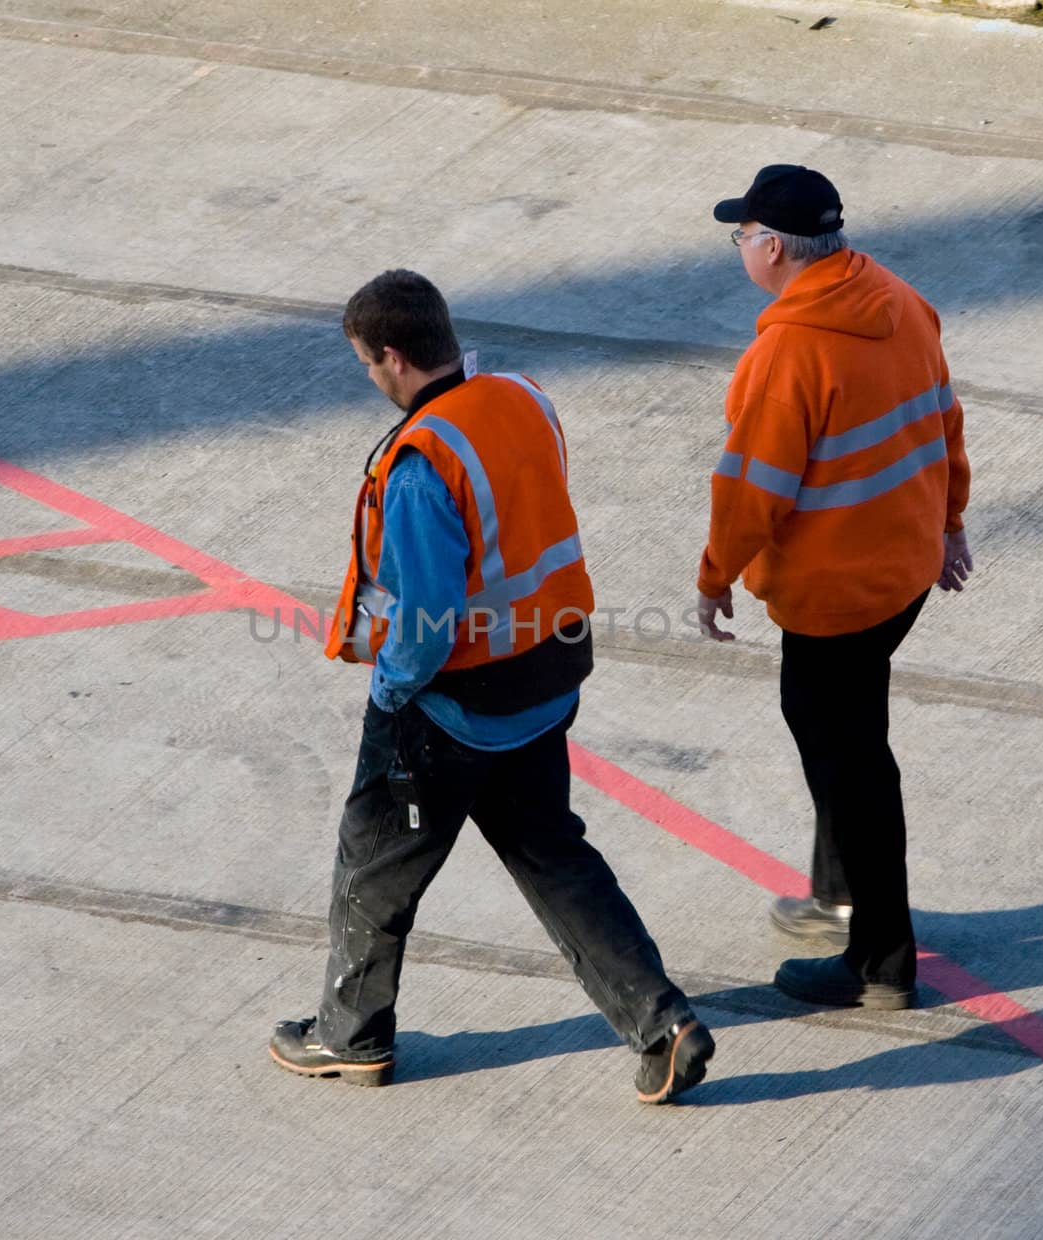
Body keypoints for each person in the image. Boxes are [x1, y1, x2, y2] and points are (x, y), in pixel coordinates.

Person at [269, 269, 713, 1102]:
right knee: (555, 858)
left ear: (394, 358)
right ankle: (663, 1023)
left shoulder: (417, 466)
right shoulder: (523, 399)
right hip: (543, 679)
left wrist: (392, 693)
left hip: (452, 707)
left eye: (367, 363)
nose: (370, 377)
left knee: (373, 869)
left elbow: (429, 617)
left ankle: (351, 1035)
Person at [694, 166, 973, 1010]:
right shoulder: (898, 299)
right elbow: (945, 418)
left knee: (849, 760)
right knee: (846, 734)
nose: (740, 246)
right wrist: (951, 521)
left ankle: (880, 961)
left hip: (833, 595)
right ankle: (840, 894)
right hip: (905, 568)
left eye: (741, 234)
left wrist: (714, 577)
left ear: (773, 248)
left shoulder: (787, 355)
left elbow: (750, 491)